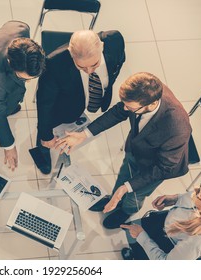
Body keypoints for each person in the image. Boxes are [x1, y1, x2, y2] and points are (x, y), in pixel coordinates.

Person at [55, 72, 192, 229]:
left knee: (135, 194)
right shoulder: (144, 92)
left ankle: (127, 211)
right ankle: (115, 198)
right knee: (123, 176)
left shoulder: (177, 126)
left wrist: (126, 188)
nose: (126, 108)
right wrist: (83, 134)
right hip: (137, 148)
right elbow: (119, 112)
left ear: (152, 104)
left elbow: (164, 168)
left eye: (131, 107)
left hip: (156, 167)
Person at [34, 30, 125, 174]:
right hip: (66, 104)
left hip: (91, 96)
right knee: (51, 122)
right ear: (71, 54)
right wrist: (46, 136)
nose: (89, 71)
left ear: (101, 47)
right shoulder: (53, 64)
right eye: (81, 67)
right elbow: (44, 103)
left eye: (95, 64)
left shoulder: (115, 40)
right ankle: (42, 147)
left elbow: (120, 61)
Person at [0, 20, 45, 171]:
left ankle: (11, 107)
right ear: (10, 63)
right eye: (24, 78)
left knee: (8, 104)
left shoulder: (21, 28)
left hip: (7, 91)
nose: (28, 81)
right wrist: (9, 146)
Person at [120, 176, 201, 260]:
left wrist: (141, 236)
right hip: (166, 222)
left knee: (143, 254)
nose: (195, 189)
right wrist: (175, 199)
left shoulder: (197, 243)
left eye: (199, 193)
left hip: (168, 245)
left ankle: (135, 256)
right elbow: (191, 196)